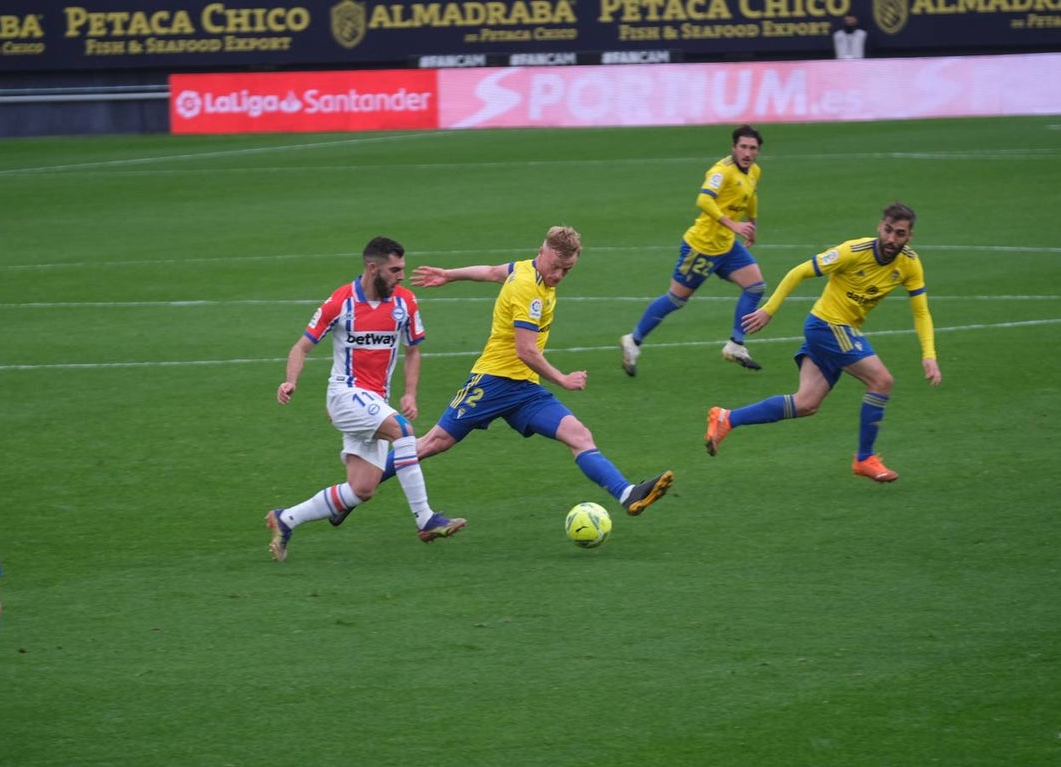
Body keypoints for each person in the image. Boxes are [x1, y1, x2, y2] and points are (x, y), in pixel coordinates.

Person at [378, 225, 674, 518]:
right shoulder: (527, 289)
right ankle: (358, 488)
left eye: (567, 270)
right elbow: (526, 350)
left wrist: (449, 274)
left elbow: (492, 271)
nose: (558, 275)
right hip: (493, 382)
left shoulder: (524, 269)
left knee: (580, 436)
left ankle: (626, 493)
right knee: (433, 443)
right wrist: (562, 379)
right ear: (542, 252)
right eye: (556, 267)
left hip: (524, 389)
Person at [704, 202, 942, 482]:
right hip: (827, 327)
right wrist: (769, 309)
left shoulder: (910, 263)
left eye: (899, 233)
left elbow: (921, 312)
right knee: (882, 381)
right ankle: (864, 458)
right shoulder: (852, 252)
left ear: (909, 236)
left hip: (836, 330)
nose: (891, 238)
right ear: (879, 227)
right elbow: (799, 271)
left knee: (806, 403)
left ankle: (727, 418)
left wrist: (929, 354)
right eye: (888, 230)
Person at [265, 237, 465, 562]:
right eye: (395, 270)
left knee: (362, 489)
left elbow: (413, 351)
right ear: (373, 268)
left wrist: (410, 392)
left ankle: (286, 519)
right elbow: (301, 347)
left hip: (375, 402)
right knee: (403, 430)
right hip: (344, 394)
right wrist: (291, 381)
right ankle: (425, 519)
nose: (401, 276)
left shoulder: (405, 302)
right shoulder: (340, 303)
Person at [620, 124, 767, 376]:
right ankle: (633, 341)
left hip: (727, 246)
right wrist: (733, 224)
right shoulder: (721, 171)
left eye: (752, 148)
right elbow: (704, 199)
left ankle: (735, 344)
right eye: (743, 147)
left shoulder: (754, 171)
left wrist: (751, 223)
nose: (747, 152)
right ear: (733, 147)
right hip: (702, 247)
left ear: (758, 151)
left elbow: (750, 195)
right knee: (676, 299)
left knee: (755, 286)